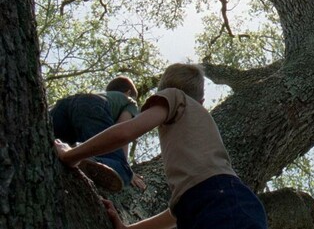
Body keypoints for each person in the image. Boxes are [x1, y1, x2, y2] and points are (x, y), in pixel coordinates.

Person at [54, 63, 268, 229]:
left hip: (223, 203)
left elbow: (127, 131)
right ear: (202, 101)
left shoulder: (175, 97)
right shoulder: (198, 160)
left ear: (161, 93)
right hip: (223, 204)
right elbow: (178, 212)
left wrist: (71, 154)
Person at [50, 76, 145, 192]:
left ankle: (75, 157)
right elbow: (121, 131)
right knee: (122, 171)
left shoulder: (105, 96)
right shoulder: (129, 101)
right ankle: (86, 160)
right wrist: (125, 166)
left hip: (62, 107)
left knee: (56, 148)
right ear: (128, 92)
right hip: (93, 106)